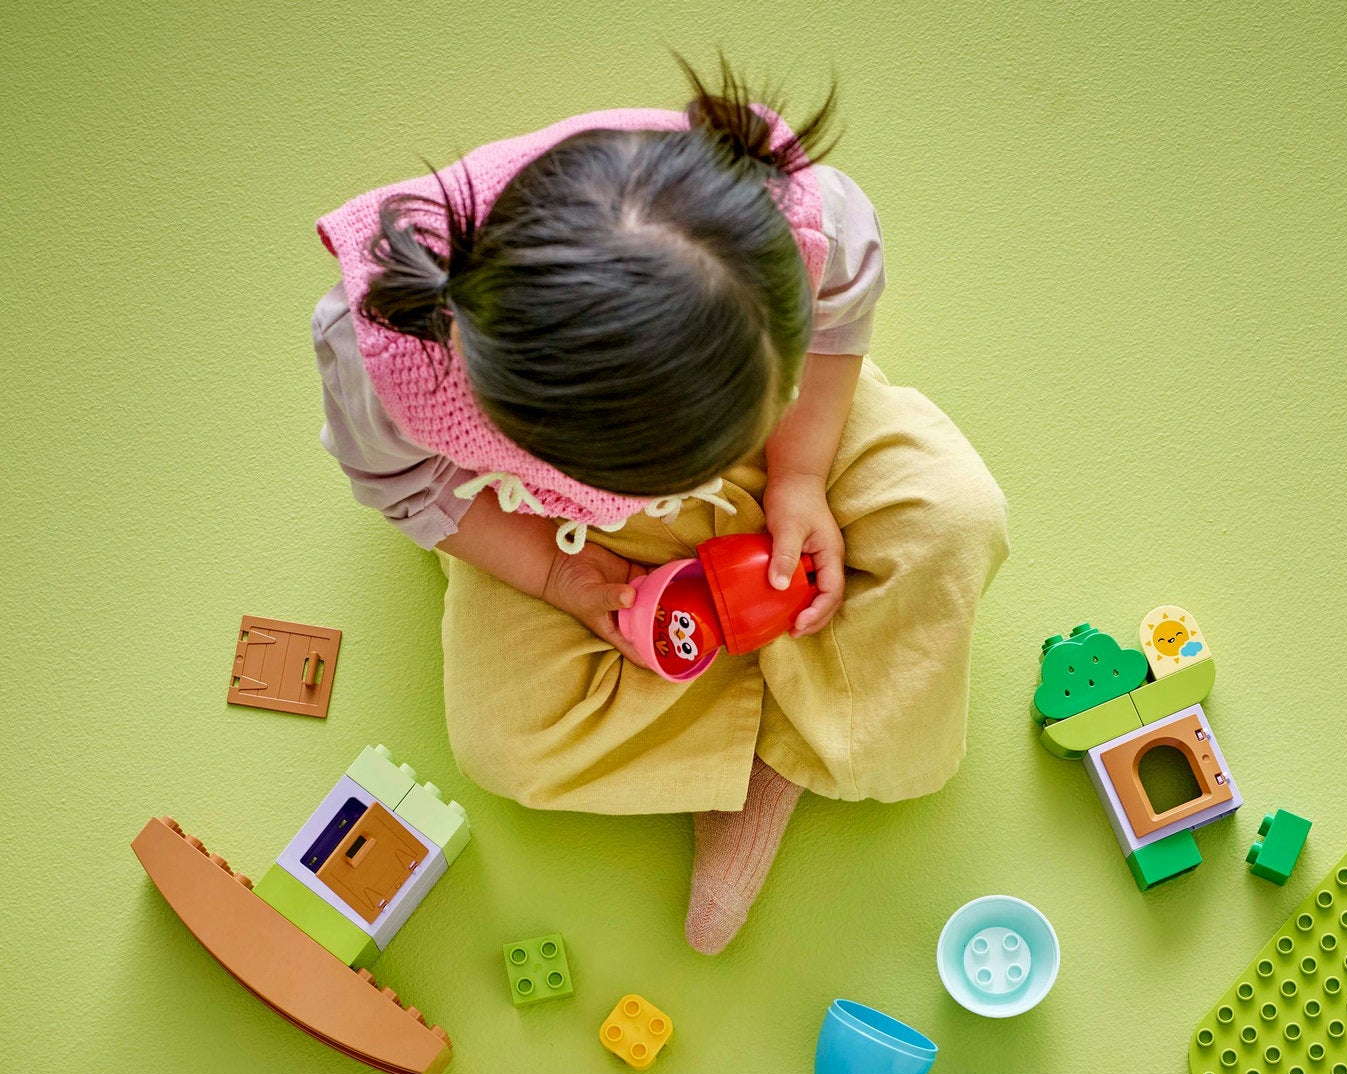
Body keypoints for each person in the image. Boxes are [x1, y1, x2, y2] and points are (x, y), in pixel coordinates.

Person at [313, 59, 1008, 954]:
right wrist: (554, 573)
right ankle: (761, 742)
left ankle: (778, 759)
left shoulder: (788, 215)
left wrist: (797, 472)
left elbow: (840, 317)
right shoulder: (387, 360)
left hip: (791, 424)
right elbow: (411, 487)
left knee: (955, 514)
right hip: (545, 515)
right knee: (506, 743)